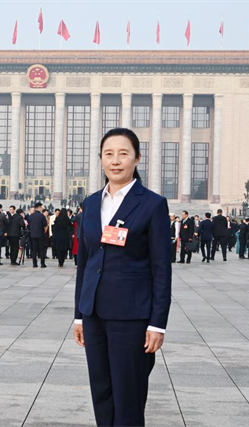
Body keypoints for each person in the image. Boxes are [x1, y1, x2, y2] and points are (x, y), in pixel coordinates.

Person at [73, 128, 171, 427]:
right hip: (94, 314)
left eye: (123, 153)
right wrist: (79, 315)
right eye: (109, 154)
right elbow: (85, 262)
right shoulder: (91, 204)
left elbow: (161, 268)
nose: (116, 161)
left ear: (137, 159)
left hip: (132, 317)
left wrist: (157, 323)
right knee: (101, 393)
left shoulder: (152, 204)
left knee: (128, 398)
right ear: (101, 159)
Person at [29, 202, 48, 268]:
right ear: (39, 207)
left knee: (34, 249)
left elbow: (29, 225)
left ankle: (34, 263)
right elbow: (45, 225)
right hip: (40, 235)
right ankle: (42, 263)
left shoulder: (31, 216)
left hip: (33, 235)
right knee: (41, 249)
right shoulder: (42, 216)